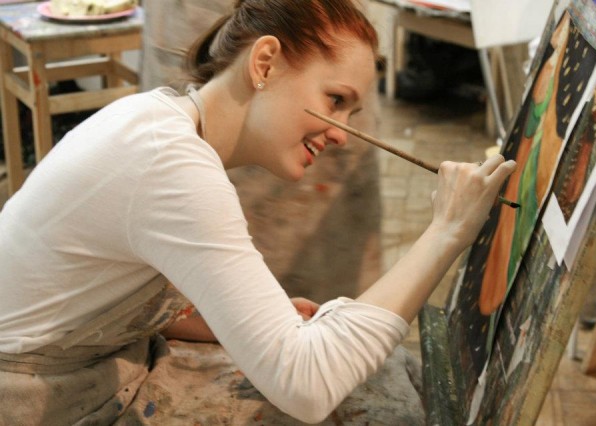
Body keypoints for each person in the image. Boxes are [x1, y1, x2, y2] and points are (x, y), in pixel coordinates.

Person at [0, 0, 516, 424]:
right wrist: (447, 230)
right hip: (39, 398)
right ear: (264, 63)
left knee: (384, 373)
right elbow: (307, 387)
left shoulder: (160, 117)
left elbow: (90, 292)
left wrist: (236, 320)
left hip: (90, 366)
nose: (342, 133)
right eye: (335, 99)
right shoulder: (171, 162)